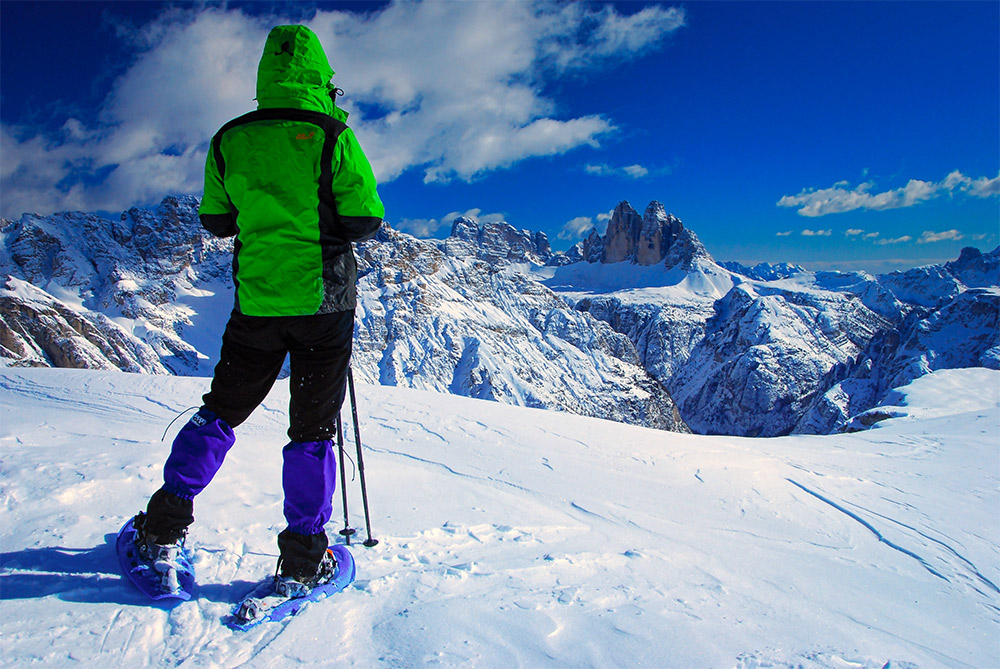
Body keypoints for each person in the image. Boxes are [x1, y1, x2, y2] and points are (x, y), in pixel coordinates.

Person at [130, 24, 383, 591]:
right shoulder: (332, 135)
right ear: (323, 78)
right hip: (324, 306)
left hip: (257, 303)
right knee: (313, 430)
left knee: (219, 411)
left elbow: (216, 222)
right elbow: (365, 220)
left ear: (265, 77)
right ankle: (303, 558)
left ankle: (164, 526)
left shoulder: (229, 139)